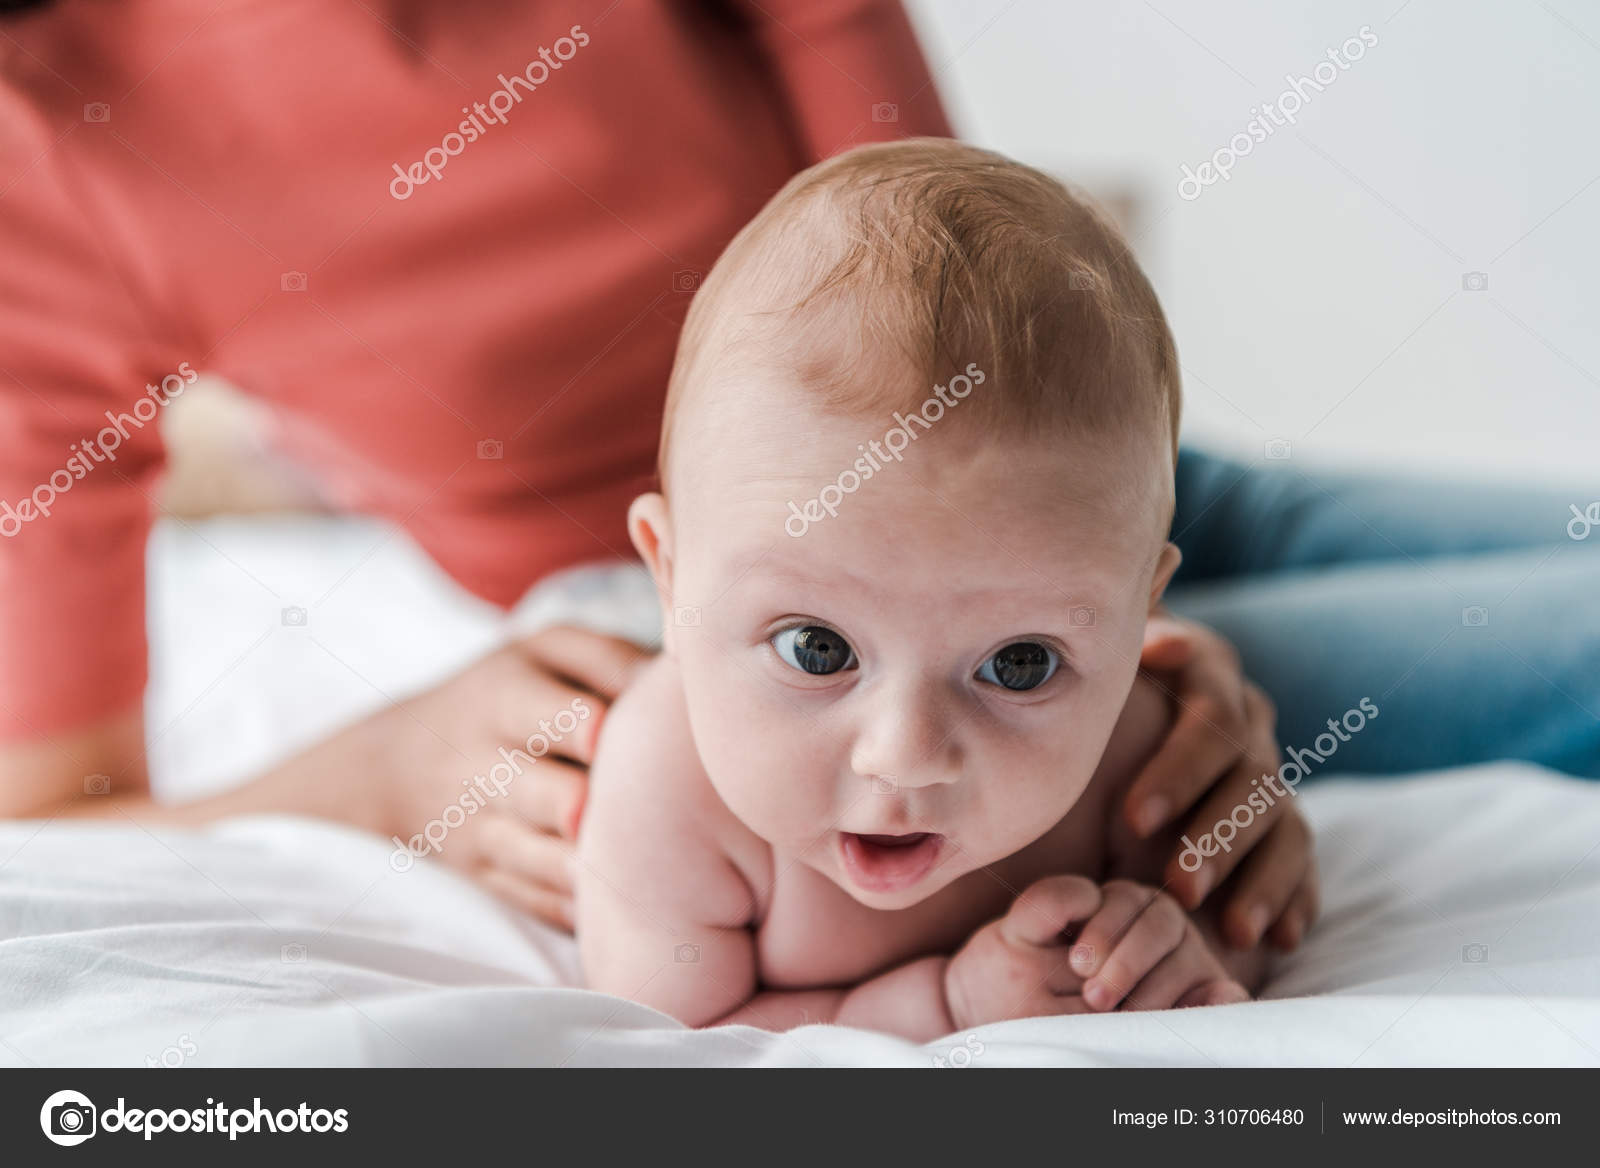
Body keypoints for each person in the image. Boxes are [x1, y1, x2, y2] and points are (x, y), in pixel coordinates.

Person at [0, 1, 1297, 938]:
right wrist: (388, 772)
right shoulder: (39, 146)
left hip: (1084, 528)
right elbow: (52, 822)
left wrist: (1101, 637)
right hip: (882, 633)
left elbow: (939, 241)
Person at [579, 140, 1267, 1037]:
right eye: (815, 649)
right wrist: (942, 1005)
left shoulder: (1144, 763)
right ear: (670, 583)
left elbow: (1248, 928)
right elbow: (678, 1044)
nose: (905, 755)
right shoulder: (668, 788)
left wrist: (1175, 946)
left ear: (1141, 619)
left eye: (1020, 665)